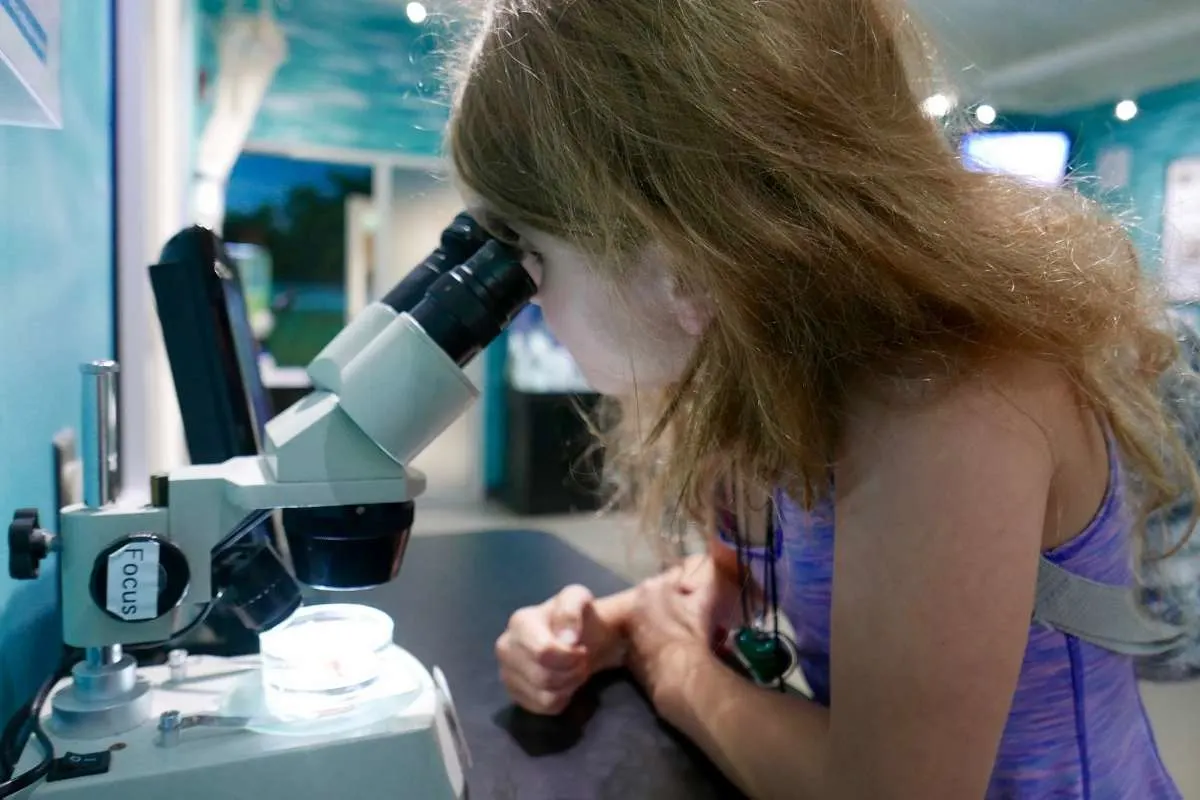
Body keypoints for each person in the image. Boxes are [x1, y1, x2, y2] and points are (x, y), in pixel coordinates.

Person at [446, 0, 1192, 797]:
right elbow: (746, 576)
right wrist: (623, 622)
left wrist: (671, 663)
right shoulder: (780, 360)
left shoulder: (953, 396)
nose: (526, 301)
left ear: (677, 248)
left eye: (530, 255)